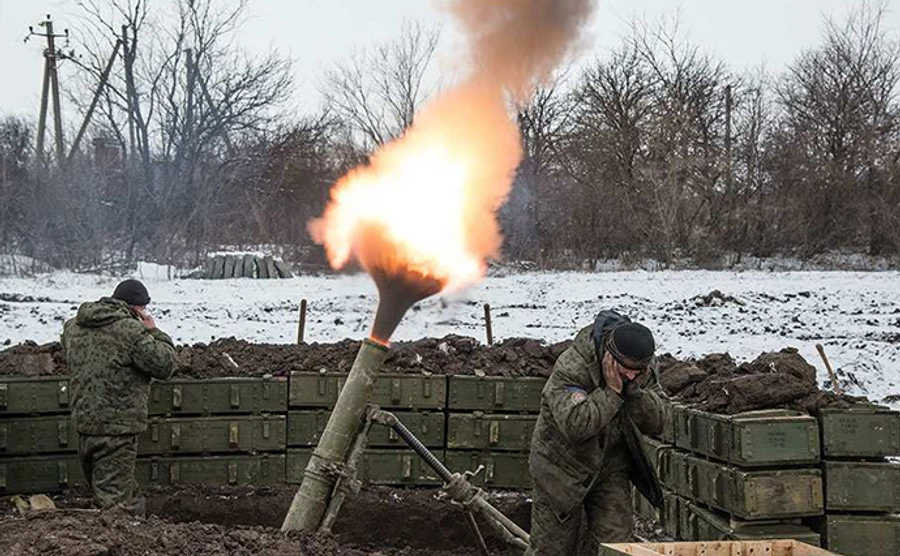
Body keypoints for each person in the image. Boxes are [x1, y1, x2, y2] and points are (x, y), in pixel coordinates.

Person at [526, 310, 667, 555]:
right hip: (560, 469)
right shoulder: (573, 367)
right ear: (610, 357)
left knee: (616, 547)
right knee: (552, 549)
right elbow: (576, 425)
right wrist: (612, 393)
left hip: (611, 466)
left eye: (638, 371)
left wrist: (634, 392)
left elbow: (659, 421)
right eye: (626, 371)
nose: (632, 376)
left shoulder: (640, 367)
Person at [61, 279, 176, 514]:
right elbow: (165, 365)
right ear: (136, 309)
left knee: (116, 491)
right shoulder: (132, 331)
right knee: (115, 506)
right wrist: (154, 331)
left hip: (84, 426)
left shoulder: (73, 327)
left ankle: (138, 530)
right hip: (116, 431)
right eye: (143, 309)